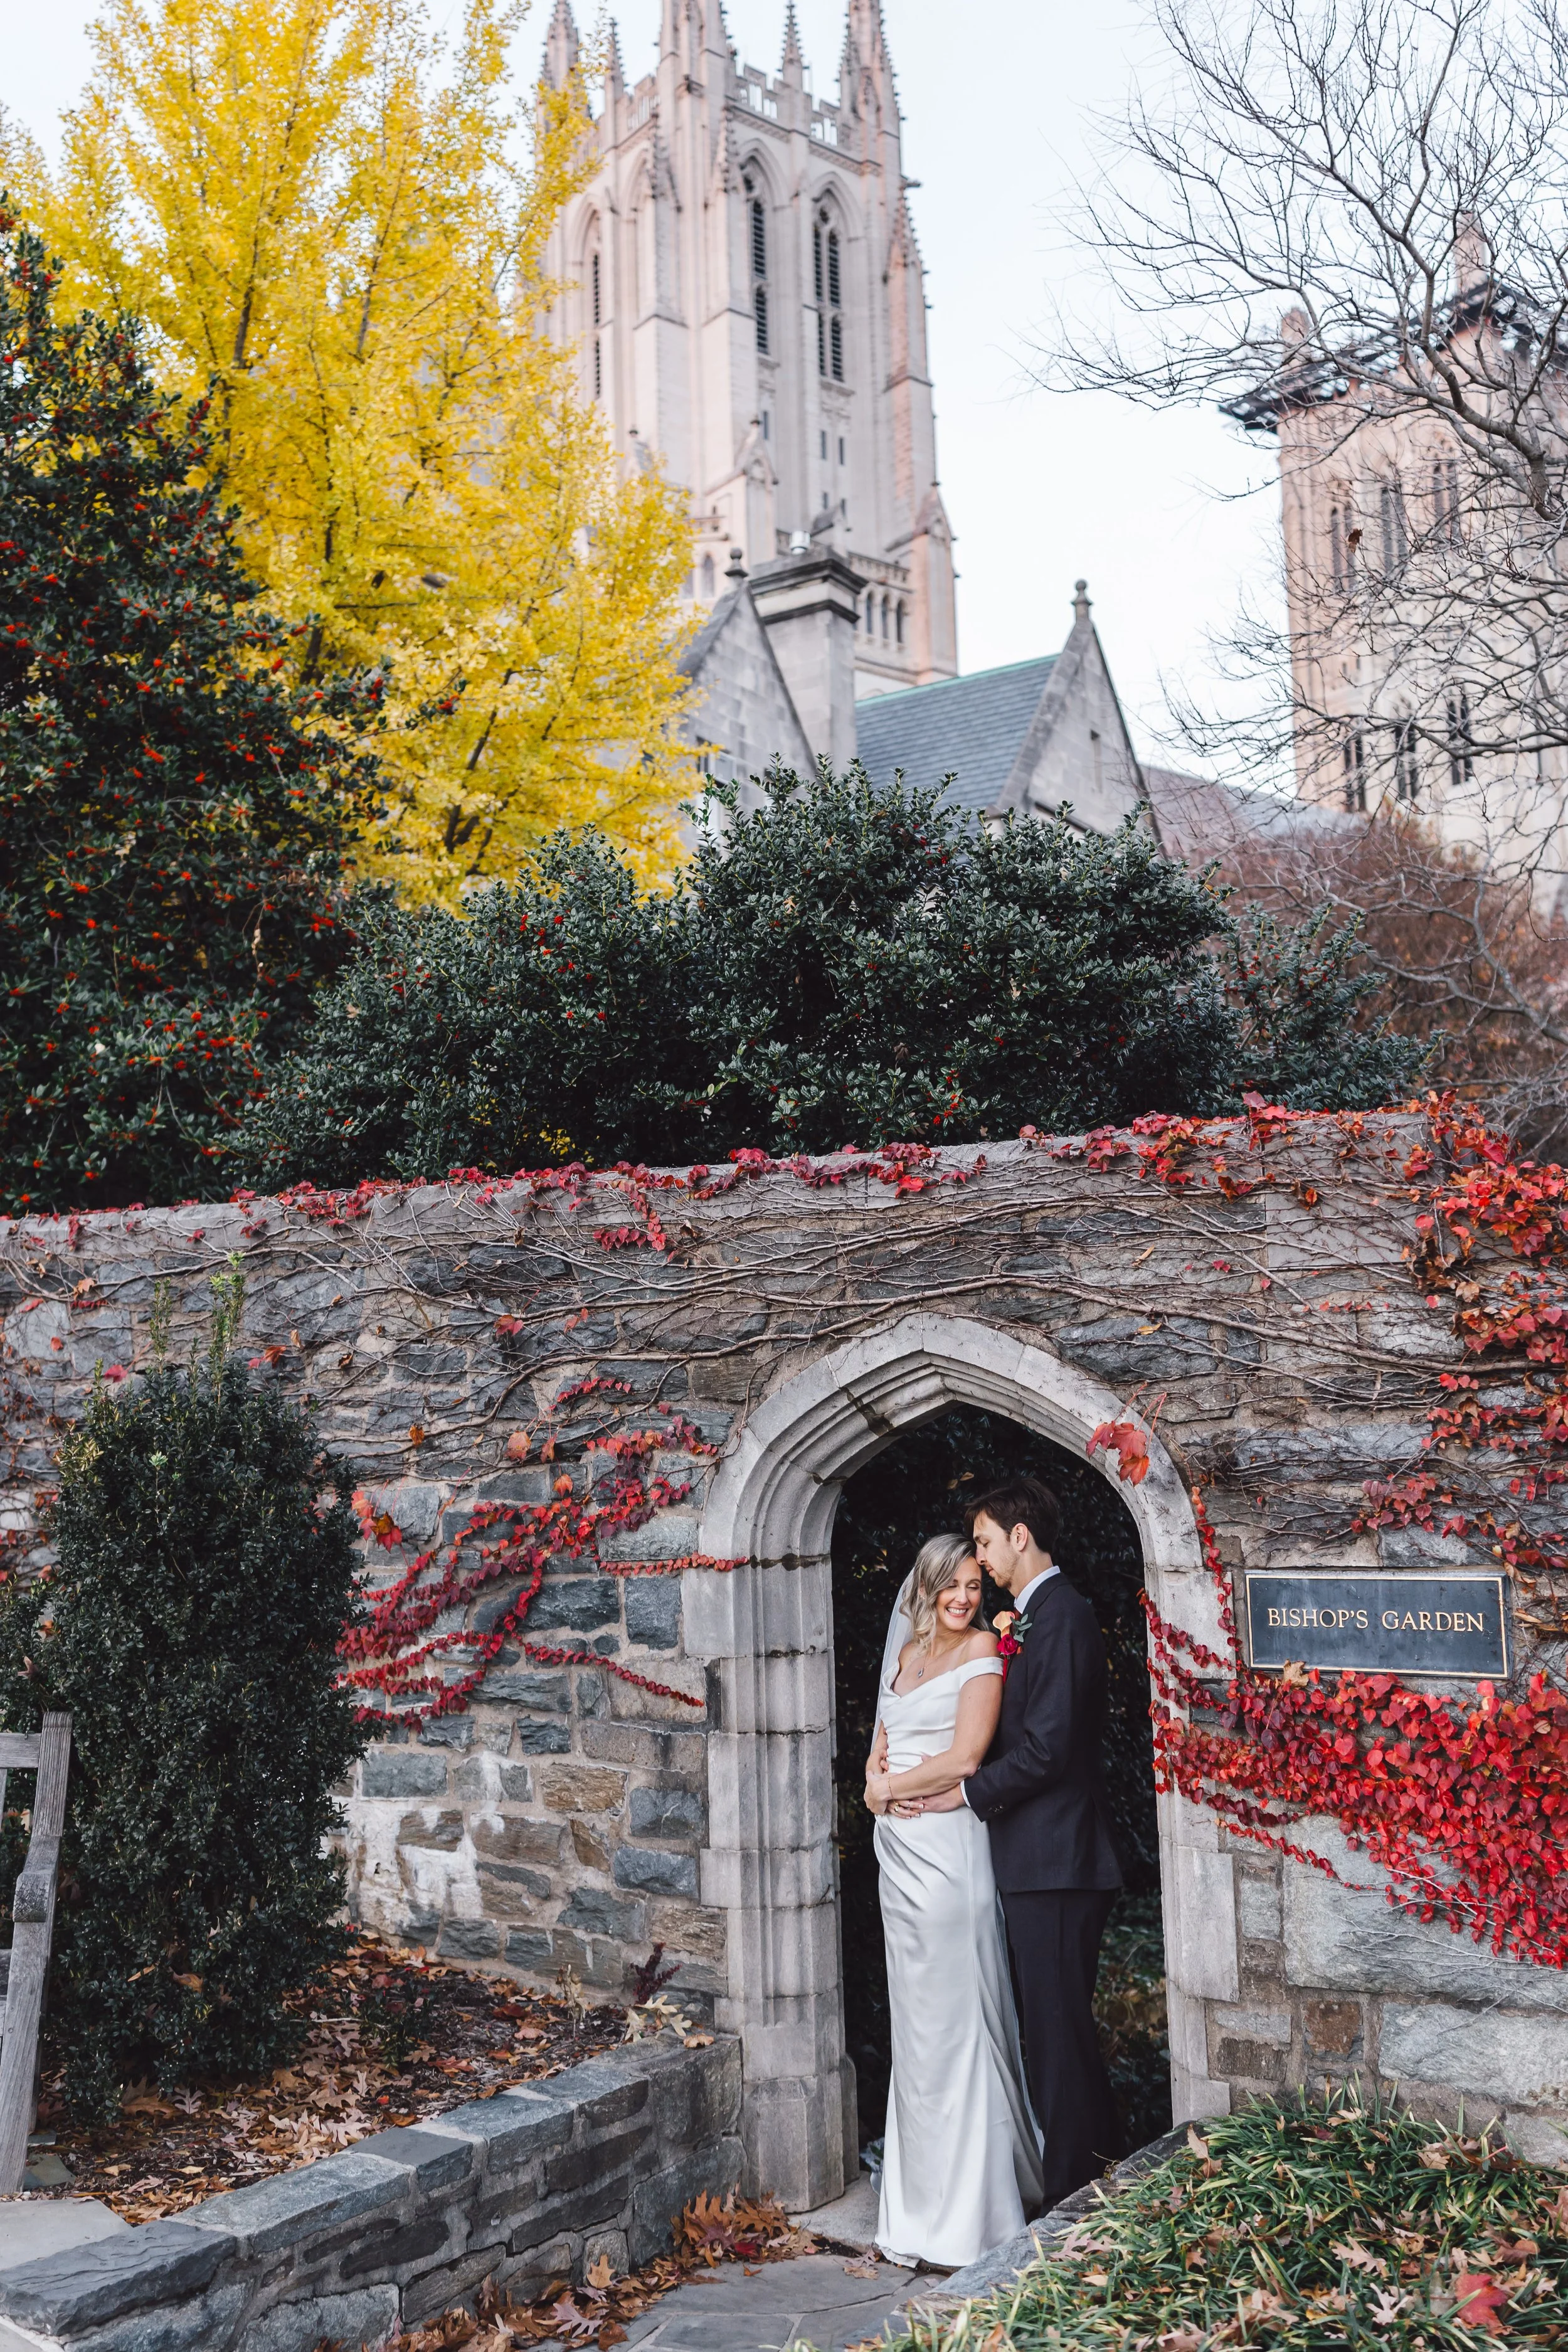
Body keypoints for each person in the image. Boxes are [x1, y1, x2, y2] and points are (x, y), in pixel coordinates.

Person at [933, 1474, 1125, 2209]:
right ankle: (1103, 2170)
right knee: (1059, 2031)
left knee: (1055, 2035)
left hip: (1058, 1861)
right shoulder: (1035, 1617)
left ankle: (1071, 2195)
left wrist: (967, 1792)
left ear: (1020, 1536)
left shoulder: (1065, 1615)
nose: (978, 1560)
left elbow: (1047, 1750)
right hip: (1042, 1860)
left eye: (983, 1542)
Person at [862, 1534, 1044, 2269]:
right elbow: (882, 1738)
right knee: (917, 2030)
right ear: (928, 1588)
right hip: (896, 1855)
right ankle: (916, 2206)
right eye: (954, 1587)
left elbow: (967, 1757)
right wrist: (874, 1777)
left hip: (947, 1850)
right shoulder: (904, 1657)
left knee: (957, 2021)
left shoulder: (983, 1657)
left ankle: (970, 2214)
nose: (967, 1599)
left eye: (976, 1585)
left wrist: (886, 1790)